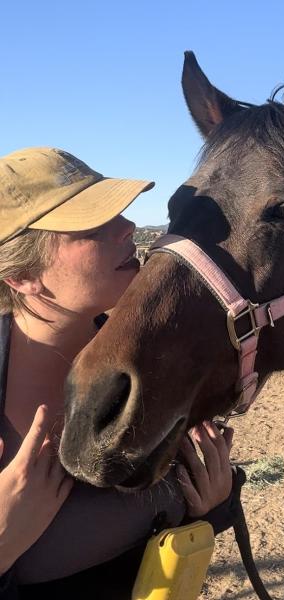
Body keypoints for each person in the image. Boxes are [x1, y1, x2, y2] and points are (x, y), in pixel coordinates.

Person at [0, 147, 238, 599]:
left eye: (120, 213)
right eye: (92, 226)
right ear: (24, 276)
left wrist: (211, 507)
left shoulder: (156, 361)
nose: (128, 227)